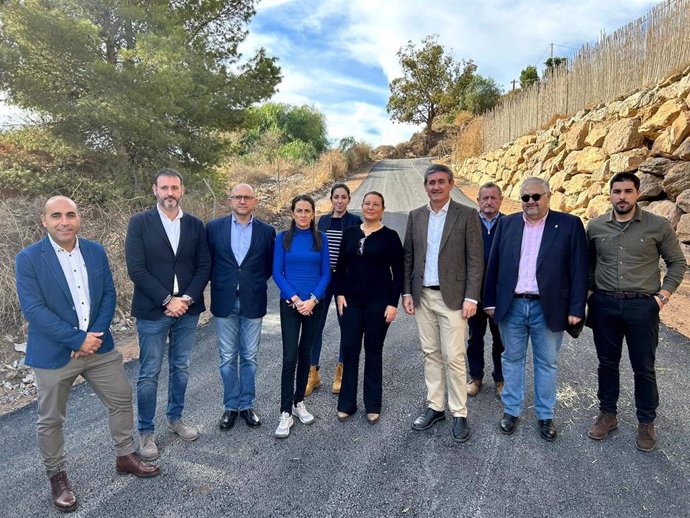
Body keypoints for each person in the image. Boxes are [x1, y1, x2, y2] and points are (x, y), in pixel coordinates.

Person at [15, 197, 159, 513]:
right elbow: (34, 309)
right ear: (44, 220)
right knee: (51, 419)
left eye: (70, 215)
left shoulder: (94, 250)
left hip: (98, 347)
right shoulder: (28, 259)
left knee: (121, 397)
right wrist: (77, 339)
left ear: (79, 218)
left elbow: (108, 294)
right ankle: (58, 477)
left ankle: (124, 455)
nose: (64, 221)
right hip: (55, 352)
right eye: (56, 216)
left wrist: (93, 337)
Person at [586, 171, 686, 451]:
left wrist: (662, 297)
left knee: (644, 367)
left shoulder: (657, 225)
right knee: (607, 364)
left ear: (637, 194)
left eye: (628, 191)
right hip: (604, 305)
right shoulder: (595, 226)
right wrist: (590, 295)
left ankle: (646, 422)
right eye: (617, 192)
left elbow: (677, 263)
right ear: (610, 195)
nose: (622, 197)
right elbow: (587, 264)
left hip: (643, 306)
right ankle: (608, 414)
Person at [483, 177, 588, 442]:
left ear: (548, 196)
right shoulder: (507, 224)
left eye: (536, 197)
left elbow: (579, 270)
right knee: (512, 359)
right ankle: (511, 410)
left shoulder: (569, 224)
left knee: (547, 363)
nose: (530, 202)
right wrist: (490, 300)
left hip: (548, 307)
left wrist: (577, 307)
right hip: (513, 306)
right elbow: (493, 264)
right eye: (525, 197)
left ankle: (545, 415)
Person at [125, 168, 211, 460]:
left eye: (174, 188)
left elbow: (204, 266)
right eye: (164, 188)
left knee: (181, 366)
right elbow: (136, 268)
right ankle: (146, 431)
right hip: (153, 310)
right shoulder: (139, 223)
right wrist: (166, 299)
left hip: (187, 310)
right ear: (155, 190)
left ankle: (175, 419)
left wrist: (185, 298)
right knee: (149, 372)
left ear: (182, 191)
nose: (170, 193)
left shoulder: (196, 225)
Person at [403, 163, 484, 443]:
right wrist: (406, 293)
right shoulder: (415, 216)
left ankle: (459, 412)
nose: (435, 187)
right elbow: (409, 259)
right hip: (423, 296)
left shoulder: (467, 215)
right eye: (430, 182)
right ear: (425, 186)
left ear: (451, 184)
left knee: (454, 357)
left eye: (440, 182)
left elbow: (475, 260)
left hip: (454, 299)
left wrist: (471, 296)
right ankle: (435, 407)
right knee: (431, 354)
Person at [206, 183, 276, 431]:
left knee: (249, 357)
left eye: (247, 197)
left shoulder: (267, 232)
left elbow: (268, 266)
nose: (243, 201)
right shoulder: (214, 229)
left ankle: (247, 404)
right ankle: (230, 407)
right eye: (238, 197)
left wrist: (250, 283)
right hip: (224, 300)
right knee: (227, 358)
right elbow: (208, 263)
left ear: (255, 201)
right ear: (230, 200)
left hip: (253, 300)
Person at [334, 191, 403, 424]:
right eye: (367, 204)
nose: (371, 207)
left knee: (373, 352)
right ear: (361, 207)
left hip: (379, 304)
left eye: (376, 204)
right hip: (351, 303)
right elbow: (340, 267)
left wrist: (393, 303)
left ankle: (373, 405)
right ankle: (346, 404)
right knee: (350, 350)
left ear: (382, 209)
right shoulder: (350, 233)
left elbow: (399, 273)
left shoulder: (390, 237)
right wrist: (339, 294)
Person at [272, 194, 330, 438]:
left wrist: (313, 300)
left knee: (306, 354)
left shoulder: (321, 238)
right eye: (299, 210)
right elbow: (277, 272)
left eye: (308, 210)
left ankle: (298, 403)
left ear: (313, 213)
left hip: (314, 304)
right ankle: (285, 412)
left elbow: (326, 273)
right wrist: (296, 300)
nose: (303, 215)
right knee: (289, 357)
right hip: (291, 304)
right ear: (293, 213)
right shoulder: (283, 238)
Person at [306, 183, 362, 396]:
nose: (339, 201)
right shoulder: (323, 221)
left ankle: (341, 371)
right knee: (315, 327)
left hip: (345, 281)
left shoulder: (355, 222)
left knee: (346, 326)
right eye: (336, 197)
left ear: (348, 199)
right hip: (323, 280)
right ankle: (313, 373)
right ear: (331, 199)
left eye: (343, 197)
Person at [467, 182, 505, 398]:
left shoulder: (510, 224)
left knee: (501, 339)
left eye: (493, 198)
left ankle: (500, 379)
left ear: (500, 200)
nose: (488, 202)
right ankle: (475, 377)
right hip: (474, 293)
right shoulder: (469, 223)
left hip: (500, 294)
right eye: (484, 198)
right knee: (474, 337)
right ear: (478, 200)